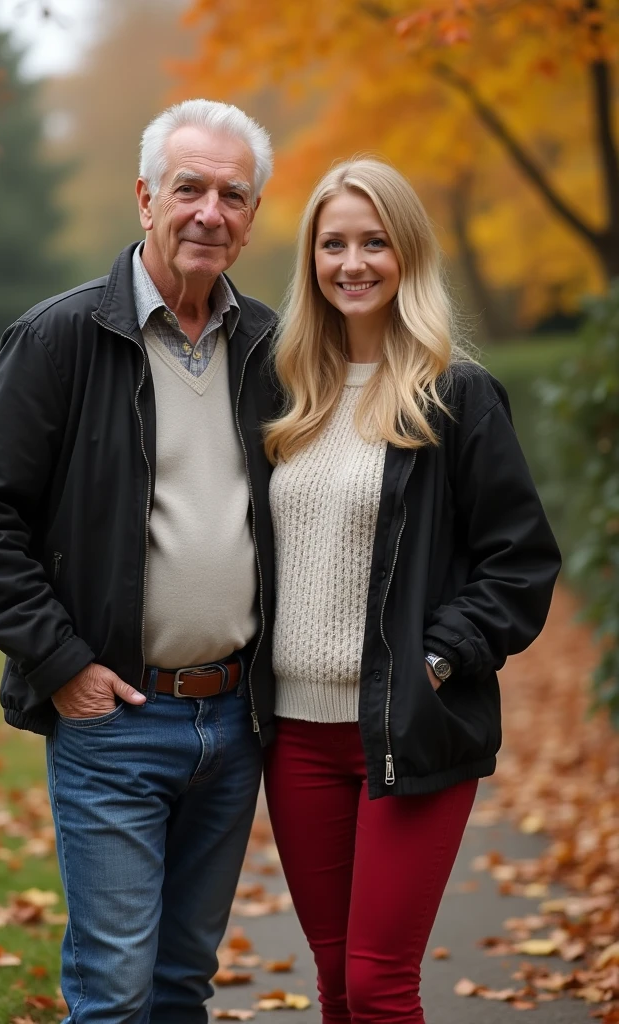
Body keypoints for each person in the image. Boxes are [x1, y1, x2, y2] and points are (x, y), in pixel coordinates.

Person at [0, 99, 279, 1024]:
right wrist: (61, 663)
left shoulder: (272, 348)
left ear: (251, 219)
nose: (210, 211)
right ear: (143, 198)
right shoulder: (59, 338)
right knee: (116, 993)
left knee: (181, 986)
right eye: (189, 188)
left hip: (235, 722)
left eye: (232, 195)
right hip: (116, 720)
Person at [263, 158, 562, 1024]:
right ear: (312, 261)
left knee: (380, 985)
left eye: (374, 242)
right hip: (294, 737)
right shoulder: (287, 395)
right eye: (333, 244)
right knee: (334, 984)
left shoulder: (455, 395)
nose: (352, 263)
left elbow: (520, 561)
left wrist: (436, 658)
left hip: (407, 725)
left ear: (409, 255)